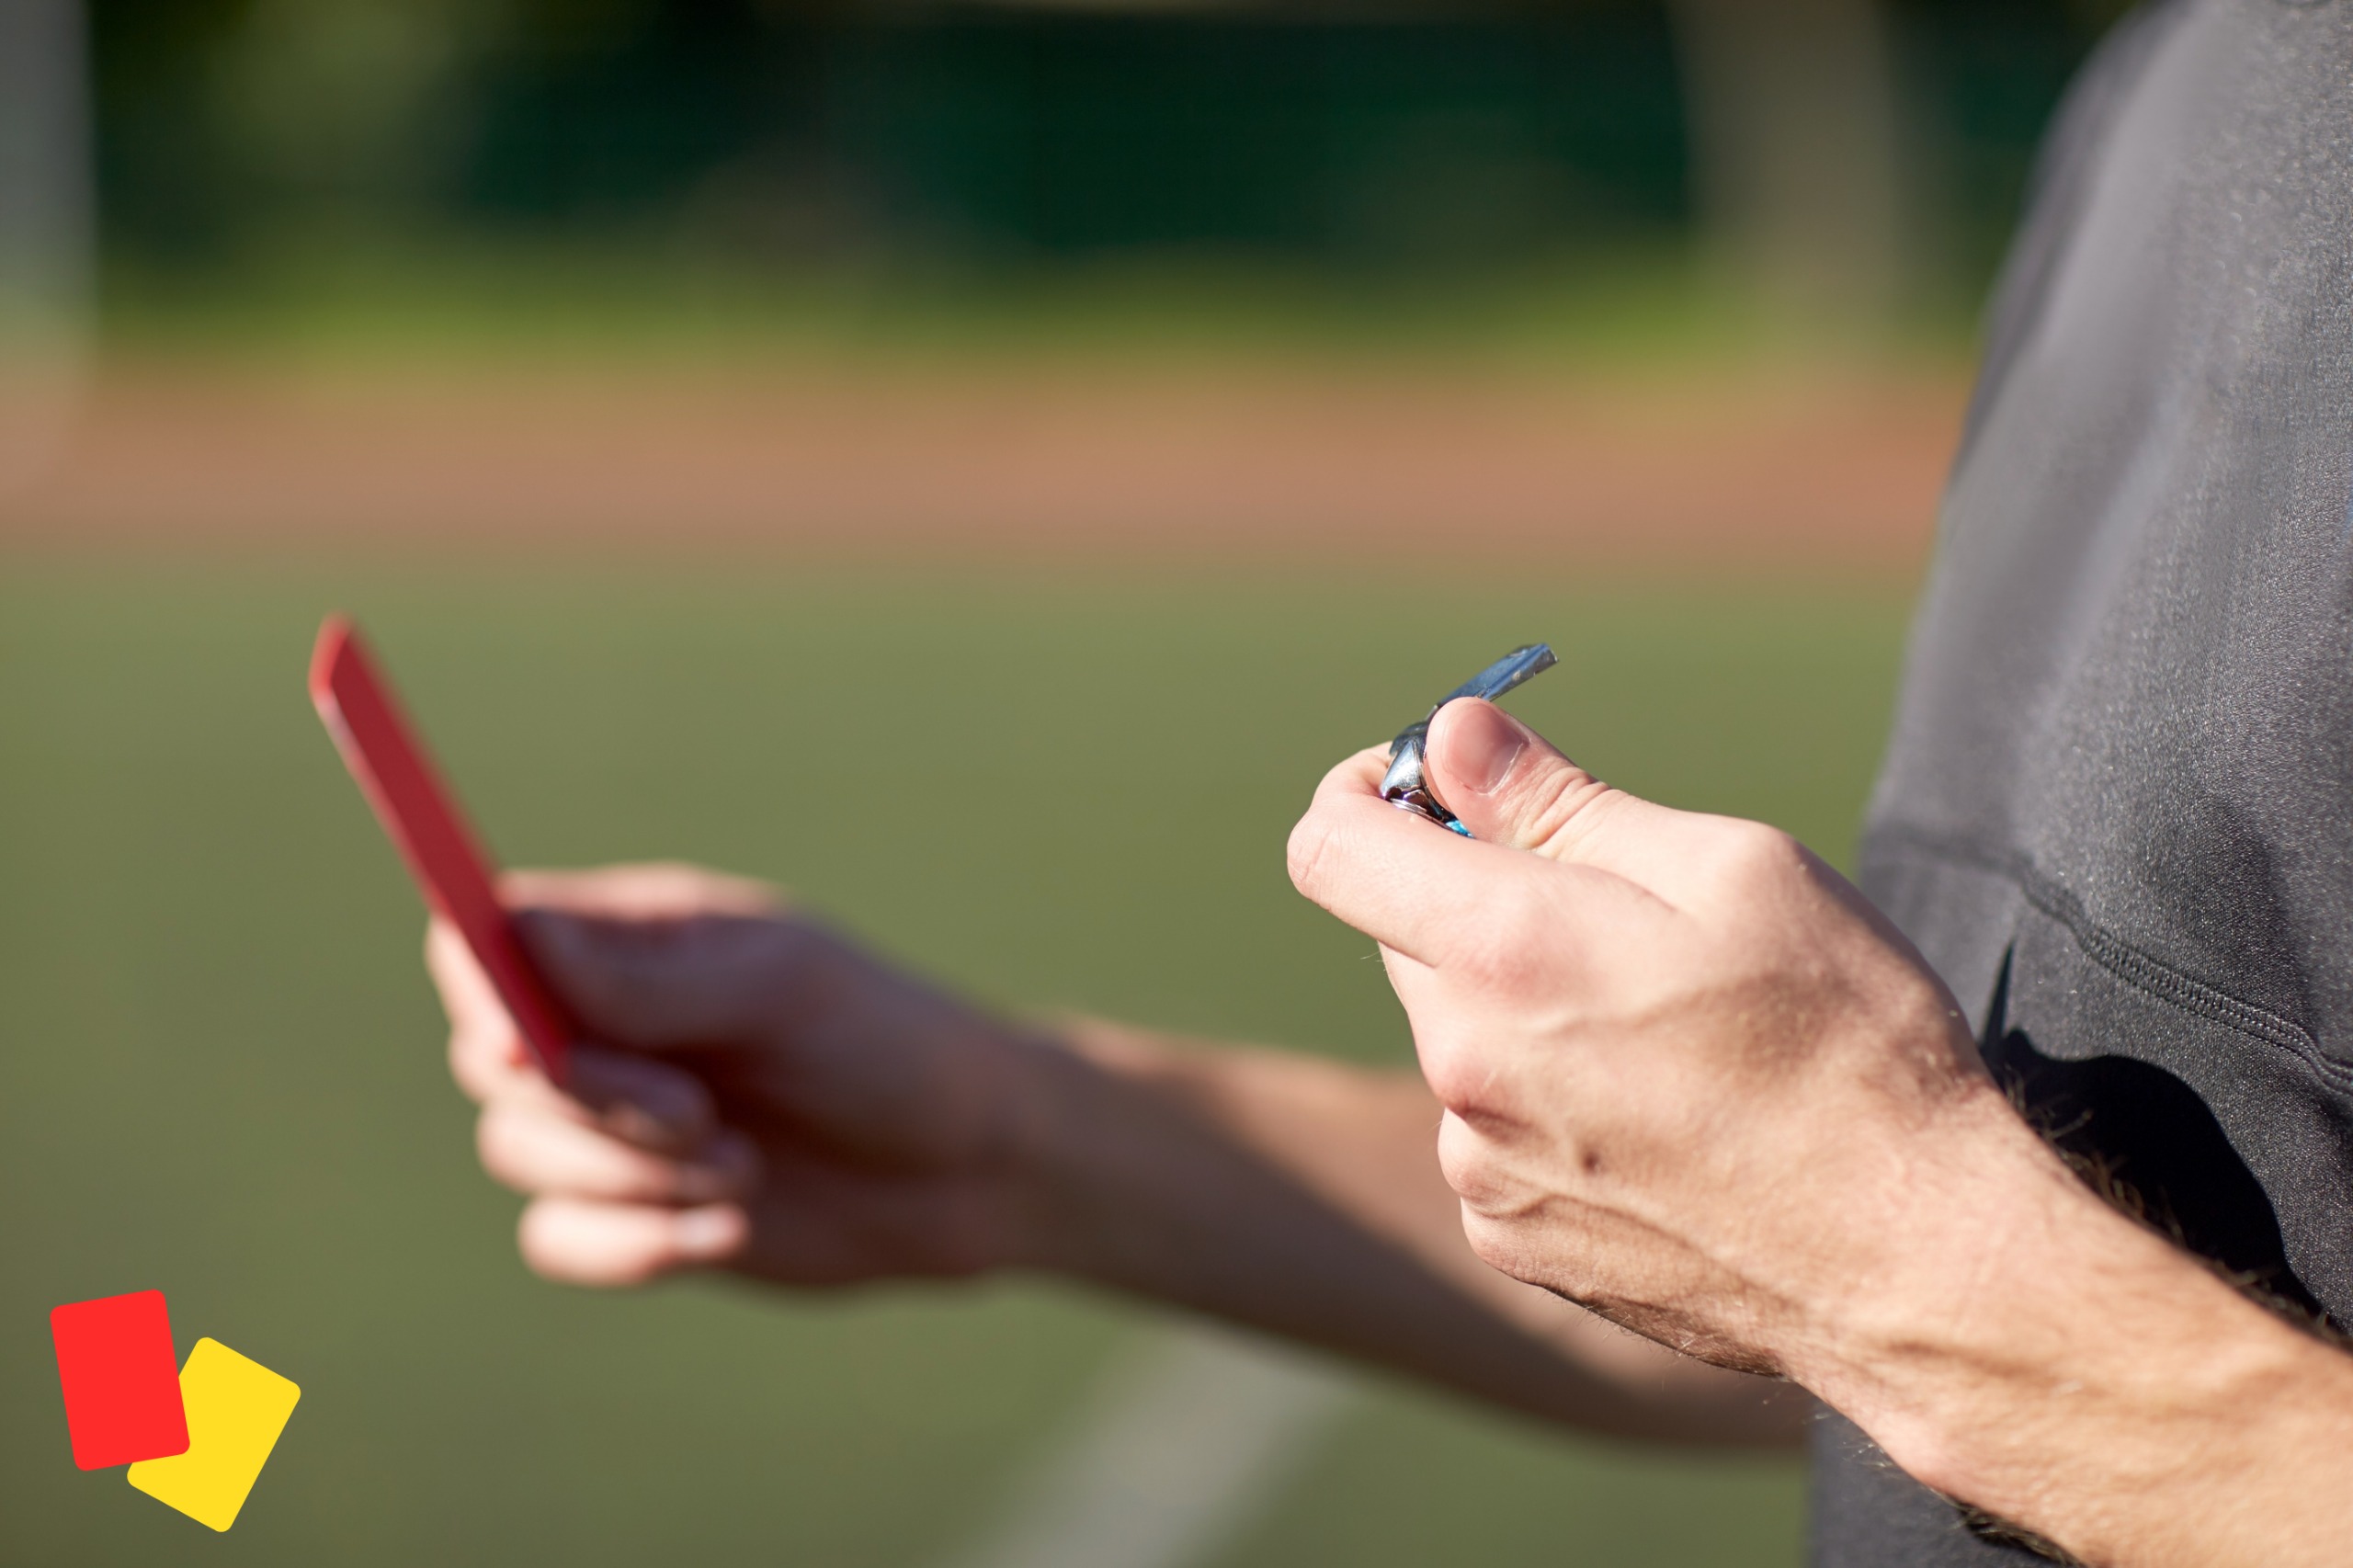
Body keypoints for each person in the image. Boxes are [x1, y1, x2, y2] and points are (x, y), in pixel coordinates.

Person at [426, 4, 2353, 1562]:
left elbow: (1963, 1283)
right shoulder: (2179, 82)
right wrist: (1003, 1128)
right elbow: (2114, 1276)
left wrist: (1901, 1258)